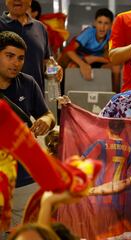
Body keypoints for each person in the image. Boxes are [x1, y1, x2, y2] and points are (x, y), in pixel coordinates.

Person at [0, 31, 55, 229]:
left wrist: (44, 121)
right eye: (9, 56)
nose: (16, 63)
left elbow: (48, 114)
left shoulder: (28, 83)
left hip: (25, 179)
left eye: (21, 58)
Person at [0, 0, 62, 94]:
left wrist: (55, 70)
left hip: (34, 100)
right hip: (4, 101)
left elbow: (45, 65)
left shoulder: (40, 28)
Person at [59, 8, 121, 91]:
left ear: (111, 25)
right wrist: (82, 64)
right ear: (95, 23)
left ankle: (117, 98)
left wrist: (95, 58)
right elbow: (69, 51)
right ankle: (62, 91)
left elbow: (114, 58)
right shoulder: (89, 33)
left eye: (106, 23)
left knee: (116, 67)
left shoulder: (111, 37)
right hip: (81, 59)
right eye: (100, 22)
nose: (102, 27)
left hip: (96, 61)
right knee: (69, 63)